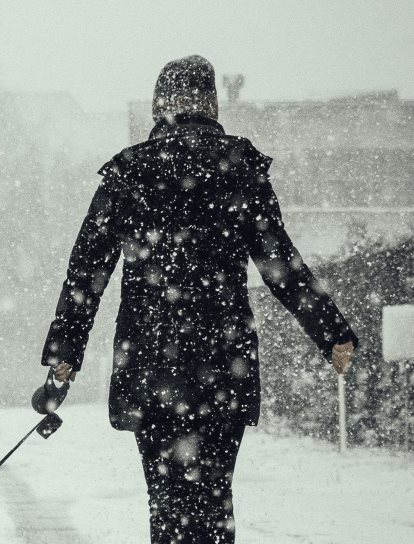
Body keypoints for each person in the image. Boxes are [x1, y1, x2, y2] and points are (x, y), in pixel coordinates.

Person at [40, 55, 357, 543]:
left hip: (149, 364)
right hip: (220, 362)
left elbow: (86, 274)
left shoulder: (129, 173)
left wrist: (64, 355)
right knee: (213, 498)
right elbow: (280, 263)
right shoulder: (238, 167)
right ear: (211, 103)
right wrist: (331, 331)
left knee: (166, 504)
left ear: (158, 107)